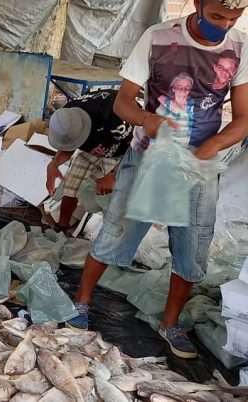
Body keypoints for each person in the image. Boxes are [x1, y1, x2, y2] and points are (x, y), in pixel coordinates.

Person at [67, 0, 248, 360]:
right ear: (198, 3)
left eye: (234, 17)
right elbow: (122, 102)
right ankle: (81, 301)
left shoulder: (240, 48)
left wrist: (211, 146)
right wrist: (146, 120)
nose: (225, 24)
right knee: (117, 230)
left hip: (197, 165)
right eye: (217, 16)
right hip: (148, 156)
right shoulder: (159, 37)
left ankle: (170, 324)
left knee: (192, 245)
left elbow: (243, 118)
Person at [45, 90, 133, 232]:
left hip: (122, 153)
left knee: (113, 198)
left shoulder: (115, 115)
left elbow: (137, 148)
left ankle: (111, 236)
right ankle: (61, 228)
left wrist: (113, 176)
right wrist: (54, 164)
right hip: (92, 150)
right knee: (71, 185)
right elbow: (69, 144)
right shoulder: (67, 113)